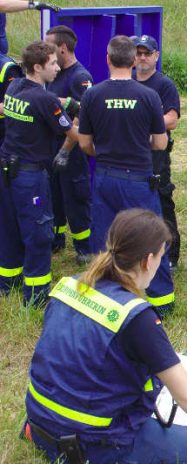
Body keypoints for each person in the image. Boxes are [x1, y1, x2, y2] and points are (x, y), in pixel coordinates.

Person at [22, 208, 187, 464]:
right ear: (148, 261)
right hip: (91, 444)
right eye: (162, 256)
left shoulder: (70, 286)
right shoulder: (137, 319)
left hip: (39, 423)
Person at [78, 35, 175, 314]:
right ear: (133, 61)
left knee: (105, 240)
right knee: (151, 238)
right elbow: (160, 143)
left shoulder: (93, 95)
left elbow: (85, 144)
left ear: (108, 59)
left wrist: (108, 149)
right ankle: (160, 303)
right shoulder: (148, 96)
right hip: (138, 179)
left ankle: (104, 299)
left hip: (106, 176)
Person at [0, 40, 77, 306]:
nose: (58, 68)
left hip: (7, 170)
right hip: (30, 178)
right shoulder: (44, 99)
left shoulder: (15, 86)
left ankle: (8, 284)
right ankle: (36, 295)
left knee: (9, 229)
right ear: (37, 67)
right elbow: (72, 133)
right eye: (53, 64)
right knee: (38, 232)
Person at [132, 34, 182, 271]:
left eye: (147, 53)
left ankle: (170, 254)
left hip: (156, 153)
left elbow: (172, 120)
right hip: (130, 153)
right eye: (138, 53)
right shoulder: (126, 81)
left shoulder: (164, 85)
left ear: (156, 56)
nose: (142, 57)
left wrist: (140, 126)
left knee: (162, 201)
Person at [45, 25, 94, 264]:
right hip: (52, 148)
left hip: (71, 152)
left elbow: (82, 117)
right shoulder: (55, 72)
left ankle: (84, 248)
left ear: (62, 48)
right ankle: (56, 239)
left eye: (50, 46)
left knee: (75, 198)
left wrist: (65, 150)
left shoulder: (80, 77)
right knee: (54, 196)